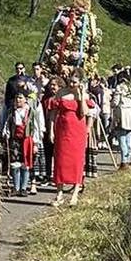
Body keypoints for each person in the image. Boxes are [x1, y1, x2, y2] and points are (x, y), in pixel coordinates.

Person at [49, 76, 91, 207]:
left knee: (77, 161)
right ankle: (59, 193)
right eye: (71, 81)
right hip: (62, 130)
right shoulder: (61, 93)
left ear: (80, 83)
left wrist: (82, 95)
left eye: (75, 82)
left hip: (77, 131)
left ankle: (75, 194)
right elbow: (53, 113)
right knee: (60, 161)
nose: (72, 84)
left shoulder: (83, 95)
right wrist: (51, 130)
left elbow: (84, 112)